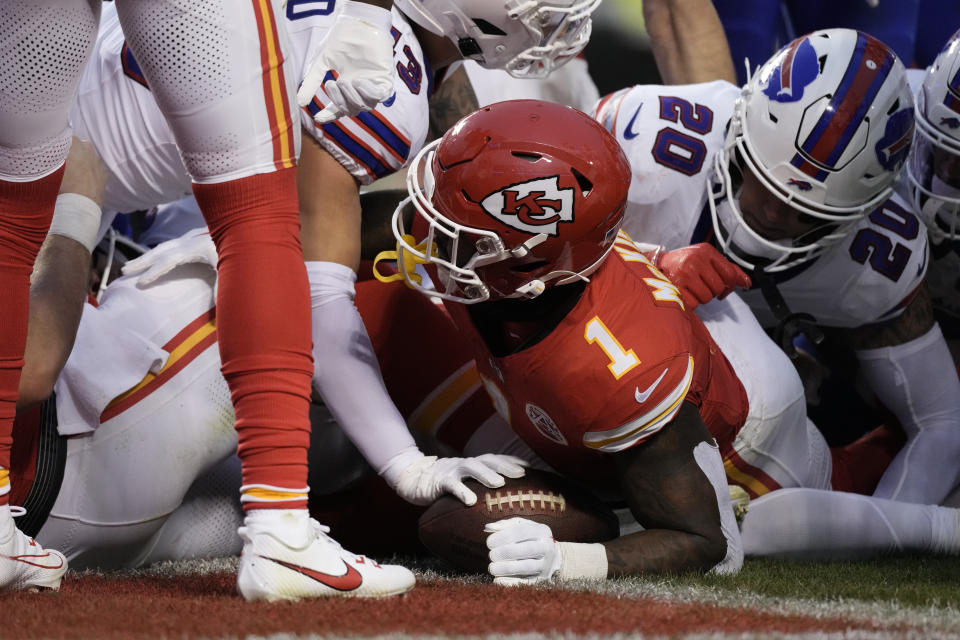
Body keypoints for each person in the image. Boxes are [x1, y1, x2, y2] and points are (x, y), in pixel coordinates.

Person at [49, 0, 593, 586]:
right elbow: (318, 297)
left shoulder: (376, 38)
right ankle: (279, 526)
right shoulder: (376, 74)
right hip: (60, 182)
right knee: (252, 269)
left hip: (52, 118)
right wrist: (407, 463)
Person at [385, 98, 960, 582]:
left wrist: (569, 559)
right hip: (672, 338)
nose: (429, 232)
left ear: (532, 262)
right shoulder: (563, 219)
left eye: (458, 230)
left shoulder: (618, 364)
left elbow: (709, 545)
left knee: (746, 530)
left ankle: (940, 526)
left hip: (745, 435)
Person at [0, 0, 404, 599]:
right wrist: (369, 15)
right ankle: (282, 525)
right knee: (255, 211)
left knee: (11, 215)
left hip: (56, 455)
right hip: (69, 446)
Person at [8, 216, 508, 574]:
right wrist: (73, 216)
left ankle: (514, 480)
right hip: (69, 438)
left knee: (316, 503)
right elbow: (32, 368)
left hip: (50, 525)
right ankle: (524, 461)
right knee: (273, 260)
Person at [594, 29, 960, 509]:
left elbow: (942, 423)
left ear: (861, 211)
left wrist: (883, 525)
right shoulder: (649, 133)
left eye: (805, 213)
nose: (770, 214)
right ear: (741, 128)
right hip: (587, 349)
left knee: (772, 401)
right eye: (760, 181)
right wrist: (645, 262)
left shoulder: (876, 254)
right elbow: (518, 240)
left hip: (714, 404)